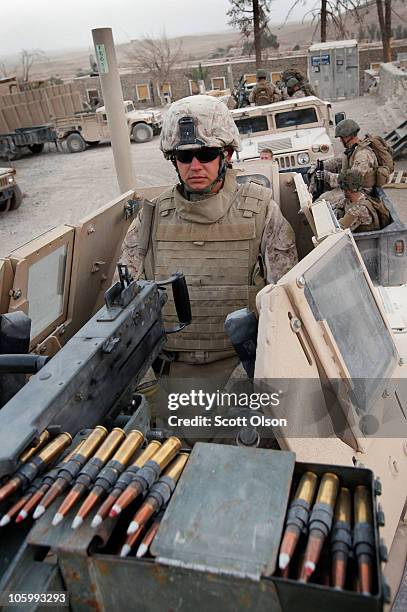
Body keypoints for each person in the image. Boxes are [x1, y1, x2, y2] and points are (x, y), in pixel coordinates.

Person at [120, 94, 297, 382]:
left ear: (226, 155)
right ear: (173, 160)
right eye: (184, 156)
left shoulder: (261, 209)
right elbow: (127, 301)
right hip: (171, 373)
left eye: (206, 155)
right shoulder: (151, 217)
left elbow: (285, 298)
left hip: (245, 369)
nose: (195, 166)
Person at [314, 119, 390, 208]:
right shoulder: (353, 149)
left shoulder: (362, 155)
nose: (340, 141)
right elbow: (340, 160)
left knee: (321, 202)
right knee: (320, 194)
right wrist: (323, 165)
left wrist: (328, 176)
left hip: (360, 192)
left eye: (341, 138)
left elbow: (351, 180)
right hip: (350, 188)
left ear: (346, 137)